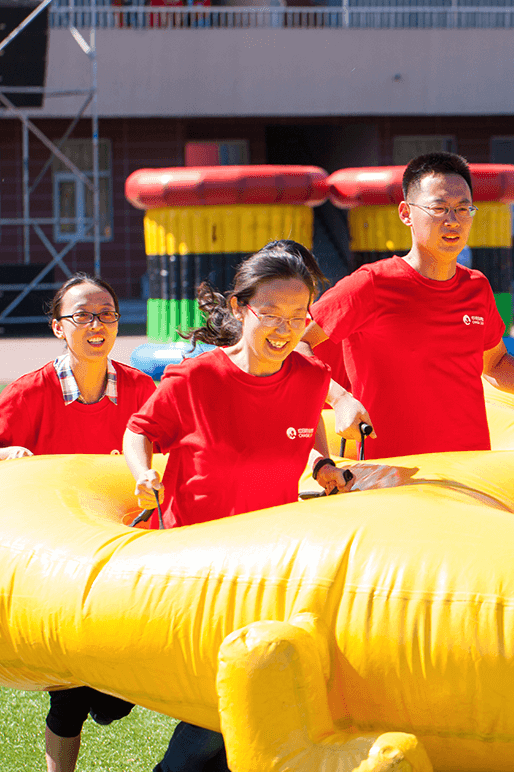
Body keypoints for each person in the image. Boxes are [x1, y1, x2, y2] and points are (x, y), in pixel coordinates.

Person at [123, 240, 353, 772]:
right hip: (197, 572)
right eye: (270, 313)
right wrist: (142, 474)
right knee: (219, 719)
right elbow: (140, 430)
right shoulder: (196, 379)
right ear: (239, 307)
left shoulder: (309, 379)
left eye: (297, 316)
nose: (284, 328)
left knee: (254, 711)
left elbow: (303, 434)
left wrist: (322, 465)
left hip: (269, 570)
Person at [0, 273, 157, 772]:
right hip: (59, 561)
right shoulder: (32, 390)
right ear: (58, 327)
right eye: (82, 315)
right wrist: (3, 454)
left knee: (115, 694)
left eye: (106, 314)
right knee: (69, 695)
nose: (96, 325)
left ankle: (108, 697)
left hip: (128, 552)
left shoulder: (140, 388)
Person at [297, 151, 514, 460]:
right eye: (439, 208)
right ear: (406, 213)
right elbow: (297, 343)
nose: (453, 221)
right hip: (396, 471)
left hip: (469, 467)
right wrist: (341, 399)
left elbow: (496, 364)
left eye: (463, 208)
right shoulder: (371, 284)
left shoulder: (477, 287)